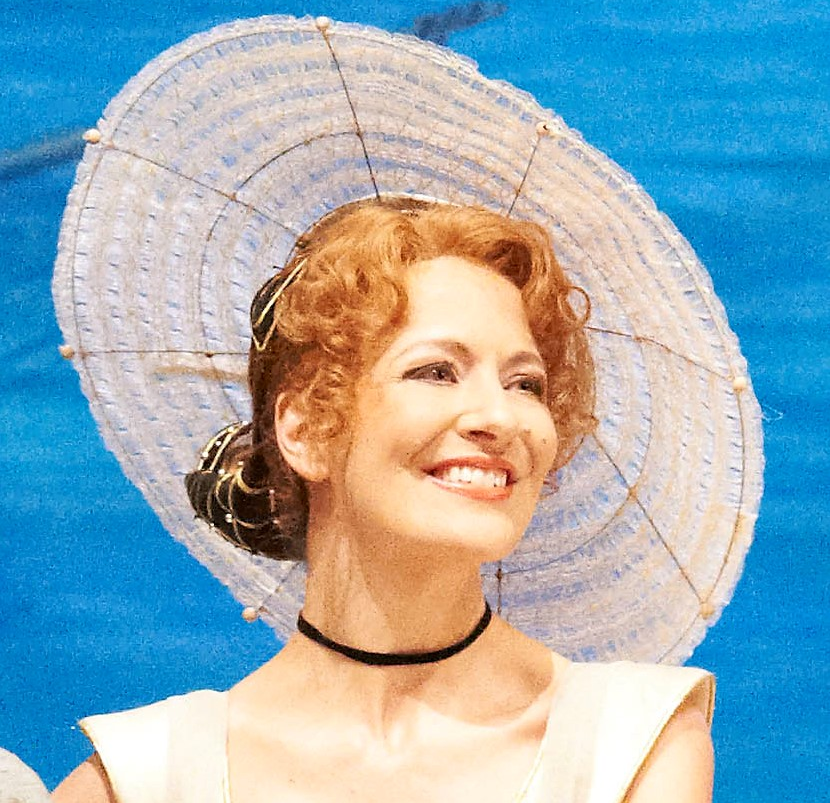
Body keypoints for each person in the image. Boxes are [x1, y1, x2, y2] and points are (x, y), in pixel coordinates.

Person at [53, 199, 715, 803]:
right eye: (436, 371)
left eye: (526, 383)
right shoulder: (142, 778)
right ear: (306, 430)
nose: (501, 416)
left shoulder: (633, 745)